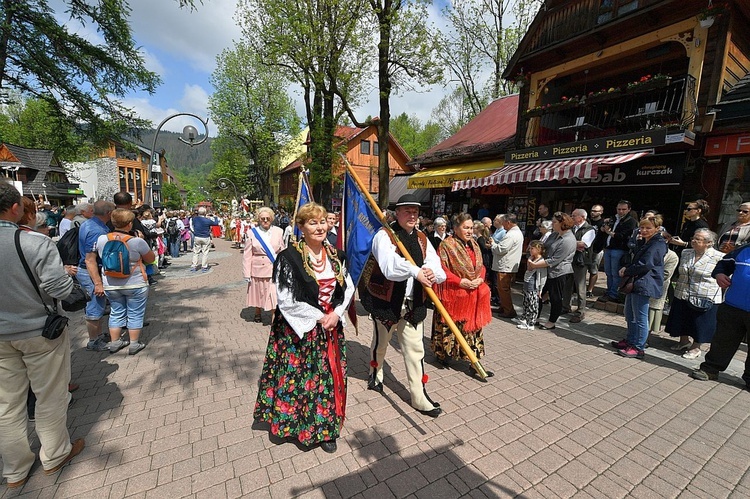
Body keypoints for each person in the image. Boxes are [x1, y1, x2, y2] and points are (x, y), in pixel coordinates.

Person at [0, 182, 84, 487]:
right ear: (15, 208)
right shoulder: (33, 242)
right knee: (49, 394)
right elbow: (59, 289)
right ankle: (54, 454)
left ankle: (15, 470)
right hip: (38, 330)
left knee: (7, 404)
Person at [253, 202, 355, 454]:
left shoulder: (335, 255)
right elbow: (287, 300)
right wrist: (322, 317)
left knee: (327, 381)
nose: (320, 227)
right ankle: (292, 426)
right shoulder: (289, 257)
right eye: (313, 222)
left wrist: (337, 313)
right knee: (298, 380)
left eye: (322, 222)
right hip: (300, 331)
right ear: (301, 226)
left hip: (330, 328)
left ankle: (326, 430)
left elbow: (349, 288)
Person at [360, 194, 446, 417]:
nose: (412, 215)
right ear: (396, 213)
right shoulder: (384, 236)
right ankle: (375, 373)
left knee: (415, 351)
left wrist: (431, 273)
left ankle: (419, 397)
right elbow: (389, 266)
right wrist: (415, 270)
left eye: (415, 212)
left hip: (412, 303)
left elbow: (436, 266)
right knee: (381, 344)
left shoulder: (422, 239)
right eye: (407, 211)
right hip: (387, 302)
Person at [431, 213, 492, 378]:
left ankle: (474, 362)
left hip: (473, 294)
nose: (470, 231)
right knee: (449, 328)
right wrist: (460, 281)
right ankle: (442, 354)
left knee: (473, 328)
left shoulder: (474, 244)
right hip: (453, 295)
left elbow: (481, 266)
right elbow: (441, 269)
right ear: (456, 228)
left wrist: (479, 279)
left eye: (471, 228)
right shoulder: (446, 245)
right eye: (466, 227)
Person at [691, 242, 750, 388]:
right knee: (723, 340)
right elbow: (722, 265)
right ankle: (710, 369)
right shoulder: (743, 250)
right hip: (733, 306)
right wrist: (719, 274)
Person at [96, 208, 154, 355]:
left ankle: (115, 342)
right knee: (135, 313)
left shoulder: (102, 239)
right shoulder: (136, 241)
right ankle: (134, 343)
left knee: (116, 311)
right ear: (129, 224)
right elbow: (150, 259)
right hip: (135, 282)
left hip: (110, 283)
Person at [610, 215, 667, 359]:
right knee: (630, 314)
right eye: (642, 227)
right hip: (636, 281)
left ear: (657, 229)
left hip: (645, 282)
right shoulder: (645, 242)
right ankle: (630, 340)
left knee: (640, 316)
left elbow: (646, 264)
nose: (644, 230)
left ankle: (639, 347)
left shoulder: (658, 243)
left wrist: (627, 270)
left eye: (648, 228)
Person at [665, 229, 723, 359]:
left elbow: (724, 277)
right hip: (683, 291)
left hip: (704, 294)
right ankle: (683, 342)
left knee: (699, 323)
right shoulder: (686, 253)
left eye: (698, 239)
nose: (693, 241)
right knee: (681, 318)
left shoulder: (719, 257)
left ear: (709, 243)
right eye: (693, 238)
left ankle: (696, 348)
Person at [78, 200, 116, 351]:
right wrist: (98, 283)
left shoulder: (89, 224)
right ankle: (93, 340)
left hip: (88, 270)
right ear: (108, 213)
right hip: (90, 272)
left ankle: (98, 335)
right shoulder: (96, 230)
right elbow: (90, 259)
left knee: (98, 305)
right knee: (95, 306)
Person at [528, 212, 576, 330]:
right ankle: (535, 317)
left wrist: (535, 265)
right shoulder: (554, 235)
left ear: (562, 223)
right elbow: (543, 248)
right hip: (546, 271)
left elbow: (555, 259)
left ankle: (552, 322)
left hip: (559, 272)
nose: (552, 224)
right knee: (537, 293)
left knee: (555, 298)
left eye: (554, 222)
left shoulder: (568, 239)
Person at [243, 207, 285, 322]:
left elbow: (282, 251)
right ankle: (258, 311)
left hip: (273, 268)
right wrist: (247, 273)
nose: (265, 221)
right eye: (262, 219)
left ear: (271, 219)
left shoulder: (279, 231)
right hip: (257, 269)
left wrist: (284, 267)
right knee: (258, 292)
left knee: (272, 293)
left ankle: (273, 317)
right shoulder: (252, 233)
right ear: (258, 219)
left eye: (268, 218)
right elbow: (247, 255)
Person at [599, 200, 638, 303]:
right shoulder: (613, 218)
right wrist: (605, 227)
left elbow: (622, 236)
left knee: (615, 273)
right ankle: (609, 291)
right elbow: (604, 229)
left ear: (629, 209)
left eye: (623, 209)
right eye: (619, 209)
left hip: (619, 249)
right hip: (608, 248)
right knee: (608, 272)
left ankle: (613, 294)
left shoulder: (631, 221)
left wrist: (609, 232)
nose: (621, 211)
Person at [490, 213, 524, 319]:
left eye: (503, 222)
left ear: (508, 222)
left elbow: (501, 249)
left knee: (503, 288)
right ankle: (504, 306)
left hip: (505, 266)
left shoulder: (511, 234)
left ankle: (508, 310)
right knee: (503, 288)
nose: (502, 225)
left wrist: (492, 244)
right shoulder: (514, 233)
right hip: (508, 265)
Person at [570, 209, 596, 323]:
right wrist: (575, 243)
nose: (572, 218)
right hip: (570, 259)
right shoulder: (572, 228)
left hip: (581, 261)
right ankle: (565, 306)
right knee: (567, 284)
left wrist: (569, 243)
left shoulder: (589, 229)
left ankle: (580, 311)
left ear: (582, 217)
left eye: (574, 216)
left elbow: (584, 244)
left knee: (580, 286)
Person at [647, 247, 678, 343]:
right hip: (640, 287)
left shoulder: (672, 256)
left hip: (656, 288)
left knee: (651, 315)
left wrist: (644, 277)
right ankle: (632, 337)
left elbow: (666, 274)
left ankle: (643, 340)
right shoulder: (646, 248)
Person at [518, 240, 547, 331]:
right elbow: (529, 267)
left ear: (538, 250)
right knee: (526, 302)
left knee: (533, 304)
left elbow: (543, 276)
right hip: (527, 282)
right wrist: (530, 259)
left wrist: (541, 288)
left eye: (532, 248)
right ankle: (525, 319)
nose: (530, 250)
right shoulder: (532, 258)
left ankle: (531, 323)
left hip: (534, 284)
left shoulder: (541, 261)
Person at [190, 207, 219, 272]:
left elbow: (192, 223)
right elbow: (216, 223)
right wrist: (215, 217)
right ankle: (204, 266)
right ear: (205, 213)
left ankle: (194, 266)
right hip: (205, 237)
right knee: (205, 252)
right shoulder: (207, 220)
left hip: (197, 236)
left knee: (196, 252)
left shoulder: (195, 219)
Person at [587, 204, 607, 298]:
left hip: (597, 249)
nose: (593, 212)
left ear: (601, 212)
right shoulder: (587, 221)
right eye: (592, 210)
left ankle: (590, 290)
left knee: (593, 270)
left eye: (595, 211)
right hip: (586, 249)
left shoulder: (603, 223)